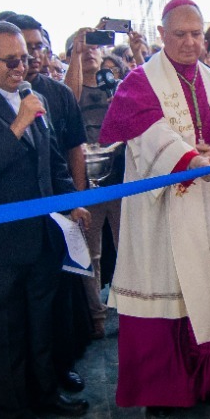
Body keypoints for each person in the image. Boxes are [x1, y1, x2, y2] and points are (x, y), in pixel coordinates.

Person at [99, 0, 210, 413]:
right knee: (165, 294)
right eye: (180, 34)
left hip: (205, 204)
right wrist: (194, 160)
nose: (190, 42)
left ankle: (201, 381)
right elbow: (150, 137)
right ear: (162, 35)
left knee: (200, 294)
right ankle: (163, 392)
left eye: (196, 34)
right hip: (161, 210)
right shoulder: (138, 81)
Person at [0, 21, 91, 419]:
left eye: (25, 59)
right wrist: (18, 124)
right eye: (11, 60)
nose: (20, 67)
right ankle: (14, 409)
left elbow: (51, 163)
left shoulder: (36, 97)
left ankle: (47, 393)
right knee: (4, 333)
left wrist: (71, 200)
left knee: (41, 324)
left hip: (42, 238)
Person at [64, 22, 125, 338]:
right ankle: (96, 317)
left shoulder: (115, 85)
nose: (90, 52)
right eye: (83, 47)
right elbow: (67, 101)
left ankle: (131, 309)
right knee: (90, 255)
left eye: (94, 46)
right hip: (84, 185)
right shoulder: (68, 87)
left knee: (127, 248)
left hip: (122, 181)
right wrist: (76, 52)